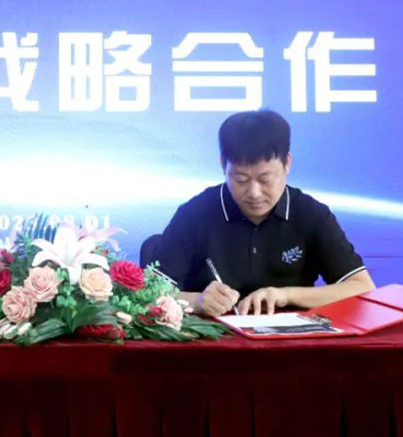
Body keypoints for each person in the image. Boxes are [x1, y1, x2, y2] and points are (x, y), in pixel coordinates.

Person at [154, 109, 374, 316]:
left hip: (292, 339)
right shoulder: (195, 214)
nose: (254, 193)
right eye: (241, 179)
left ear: (287, 164)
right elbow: (146, 295)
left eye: (265, 179)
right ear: (223, 165)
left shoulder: (310, 214)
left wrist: (286, 295)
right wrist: (197, 301)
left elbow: (362, 286)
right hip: (212, 337)